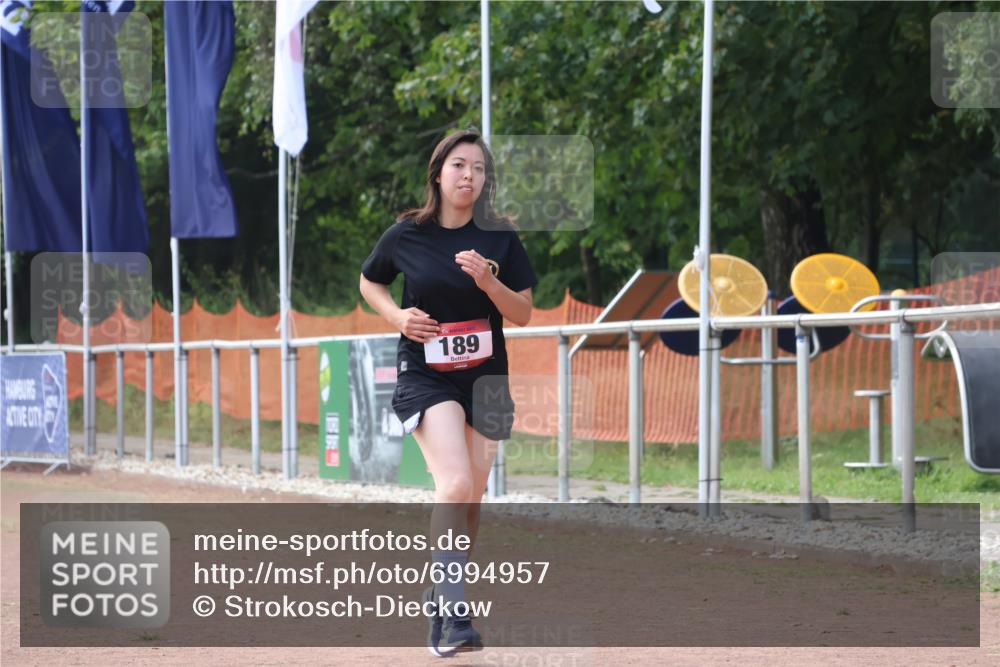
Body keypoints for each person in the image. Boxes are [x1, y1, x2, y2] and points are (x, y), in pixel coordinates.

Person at [359, 129, 537, 656]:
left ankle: (443, 591)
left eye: (479, 169)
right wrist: (397, 315)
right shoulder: (406, 234)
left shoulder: (501, 238)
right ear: (438, 172)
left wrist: (489, 283)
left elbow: (523, 313)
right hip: (426, 374)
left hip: (486, 379)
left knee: (473, 497)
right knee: (455, 482)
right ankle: (453, 616)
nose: (469, 176)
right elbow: (370, 282)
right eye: (459, 165)